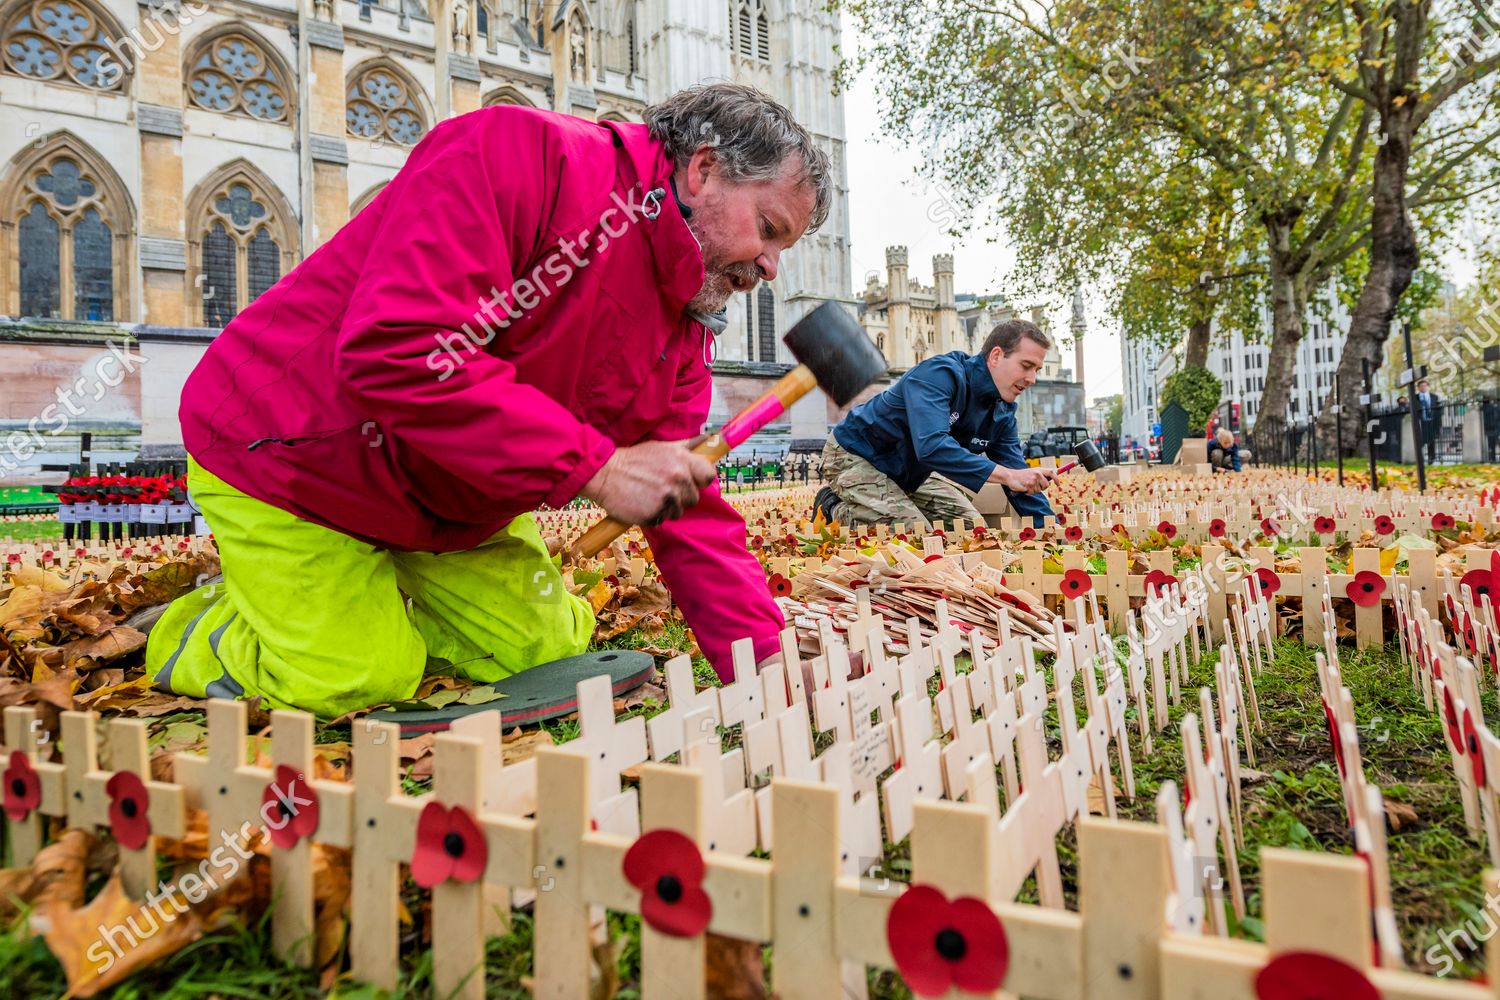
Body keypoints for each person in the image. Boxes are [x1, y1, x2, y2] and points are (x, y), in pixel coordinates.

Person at [144, 84, 830, 717]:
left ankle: (358, 601)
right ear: (703, 169)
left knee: (548, 653)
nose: (768, 269)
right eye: (769, 229)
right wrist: (598, 467)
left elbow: (683, 502)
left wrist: (761, 657)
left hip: (453, 502)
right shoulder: (519, 154)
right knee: (354, 678)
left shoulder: (682, 329)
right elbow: (401, 351)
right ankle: (197, 627)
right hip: (295, 456)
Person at [814, 319, 1057, 528]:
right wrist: (1007, 476)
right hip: (856, 455)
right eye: (1026, 366)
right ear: (996, 356)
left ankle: (886, 500)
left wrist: (1057, 537)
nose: (1032, 379)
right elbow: (931, 445)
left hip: (910, 472)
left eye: (1037, 369)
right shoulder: (940, 375)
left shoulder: (1003, 412)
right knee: (913, 532)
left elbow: (1017, 477)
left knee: (971, 528)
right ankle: (832, 508)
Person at [1416, 378, 1441, 463]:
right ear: (1418, 388)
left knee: (1431, 441)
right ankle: (1419, 458)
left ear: (1428, 387)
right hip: (1420, 422)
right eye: (1421, 386)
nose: (1423, 387)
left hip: (1431, 421)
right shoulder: (1415, 398)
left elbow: (1438, 411)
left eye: (1425, 386)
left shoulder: (1434, 397)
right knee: (1420, 441)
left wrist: (1438, 423)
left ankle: (1431, 458)